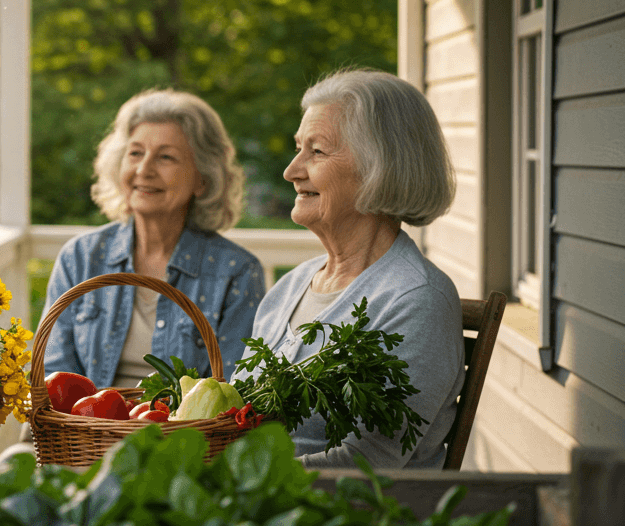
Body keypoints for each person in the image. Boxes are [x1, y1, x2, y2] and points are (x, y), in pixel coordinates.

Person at [244, 68, 462, 468]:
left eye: (317, 151)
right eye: (298, 148)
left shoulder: (417, 300)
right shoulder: (291, 285)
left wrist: (230, 477)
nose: (291, 171)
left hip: (344, 519)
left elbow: (364, 465)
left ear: (380, 166)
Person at [43, 89, 265, 388]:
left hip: (184, 433)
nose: (144, 170)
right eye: (135, 153)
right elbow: (53, 374)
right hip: (86, 430)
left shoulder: (236, 272)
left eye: (166, 157)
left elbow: (231, 392)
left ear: (203, 178)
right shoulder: (80, 257)